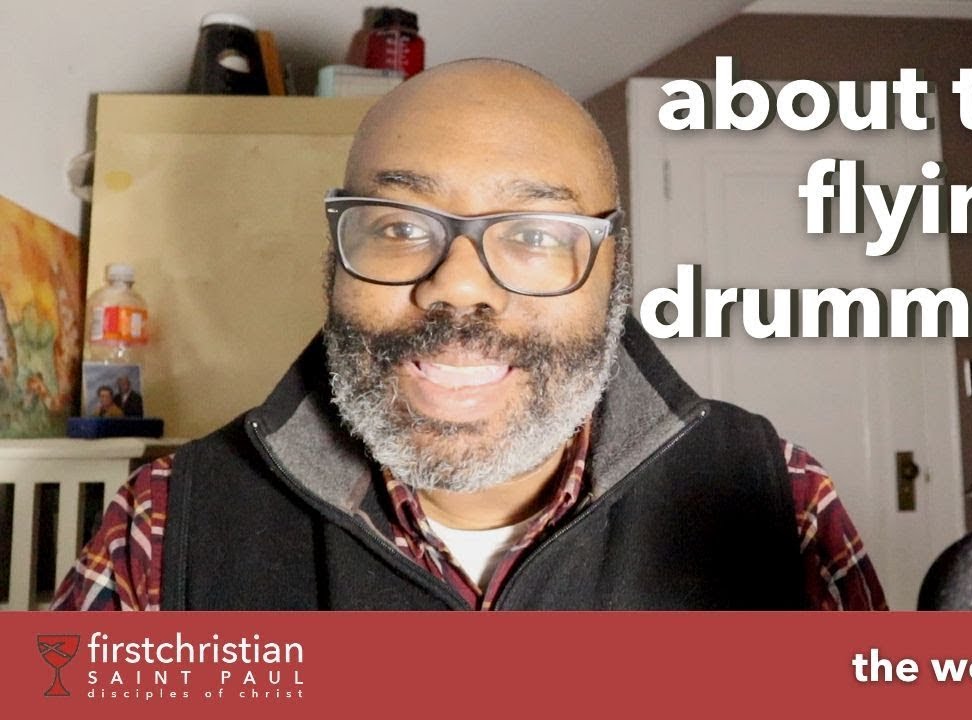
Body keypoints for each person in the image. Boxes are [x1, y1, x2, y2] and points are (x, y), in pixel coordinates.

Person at [53, 59, 886, 611]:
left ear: (614, 272)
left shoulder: (778, 498)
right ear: (334, 257)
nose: (456, 284)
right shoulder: (165, 522)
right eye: (399, 226)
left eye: (534, 233)